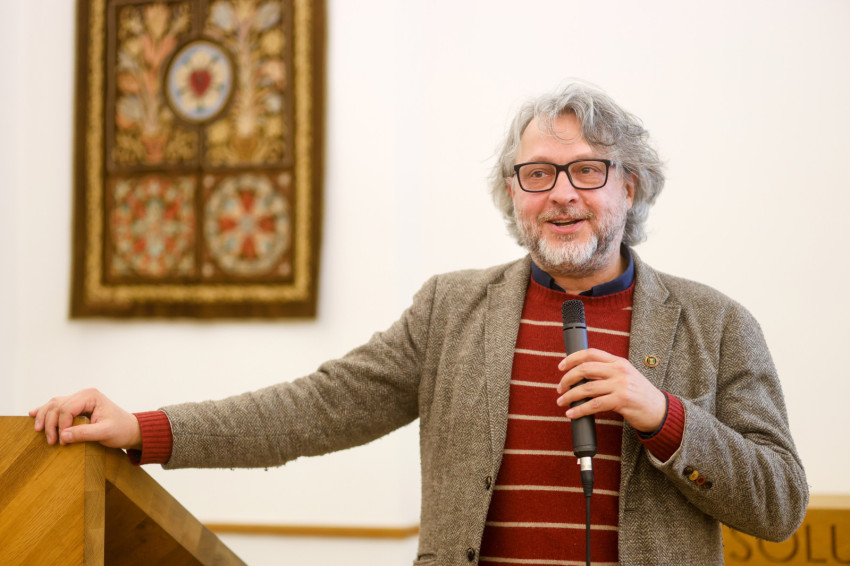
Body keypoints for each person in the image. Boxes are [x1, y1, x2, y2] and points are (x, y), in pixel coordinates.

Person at [30, 81, 808, 565]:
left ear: (629, 188)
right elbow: (315, 408)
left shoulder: (716, 325)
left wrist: (664, 416)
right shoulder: (451, 310)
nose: (562, 193)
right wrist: (144, 428)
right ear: (513, 195)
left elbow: (778, 505)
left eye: (587, 171)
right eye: (537, 174)